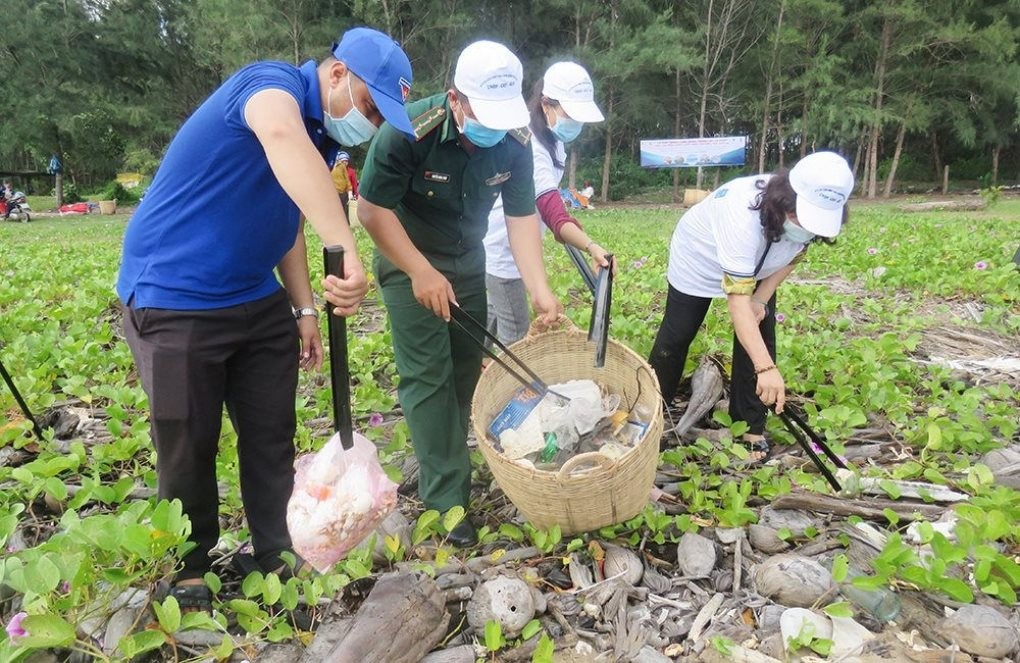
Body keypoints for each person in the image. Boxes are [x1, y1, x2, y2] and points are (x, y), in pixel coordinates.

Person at [115, 27, 413, 611]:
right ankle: (189, 566)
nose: (371, 123)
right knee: (187, 440)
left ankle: (277, 551)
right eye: (371, 105)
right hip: (174, 297)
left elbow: (288, 217)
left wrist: (303, 306)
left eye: (381, 117)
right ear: (336, 74)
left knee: (270, 434)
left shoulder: (321, 139)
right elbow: (279, 135)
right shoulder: (269, 85)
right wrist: (344, 244)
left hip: (255, 296)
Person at [356, 40, 562, 547]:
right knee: (429, 376)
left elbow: (521, 218)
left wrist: (540, 290)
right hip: (407, 257)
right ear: (455, 99)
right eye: (484, 115)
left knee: (465, 367)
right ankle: (447, 502)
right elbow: (371, 210)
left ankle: (447, 451)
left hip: (468, 262)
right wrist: (420, 271)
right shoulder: (408, 130)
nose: (494, 128)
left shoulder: (514, 140)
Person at [648, 151, 854, 462]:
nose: (806, 227)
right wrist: (766, 369)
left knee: (760, 331)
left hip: (759, 263)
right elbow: (737, 305)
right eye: (802, 218)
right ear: (785, 199)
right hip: (699, 257)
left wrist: (761, 297)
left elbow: (796, 254)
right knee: (677, 335)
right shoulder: (741, 215)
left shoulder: (808, 220)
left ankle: (749, 427)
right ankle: (650, 416)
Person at [483, 61, 611, 346]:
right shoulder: (531, 146)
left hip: (515, 248)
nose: (575, 124)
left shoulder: (553, 140)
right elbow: (552, 211)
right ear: (545, 104)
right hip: (505, 251)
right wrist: (591, 246)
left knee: (489, 321)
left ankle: (475, 367)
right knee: (517, 339)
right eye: (570, 115)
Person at [330, 150, 359, 221]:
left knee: (345, 209)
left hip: (346, 193)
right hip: (335, 192)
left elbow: (354, 184)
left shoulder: (351, 171)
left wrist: (354, 195)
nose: (345, 163)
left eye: (346, 161)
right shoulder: (333, 168)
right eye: (343, 161)